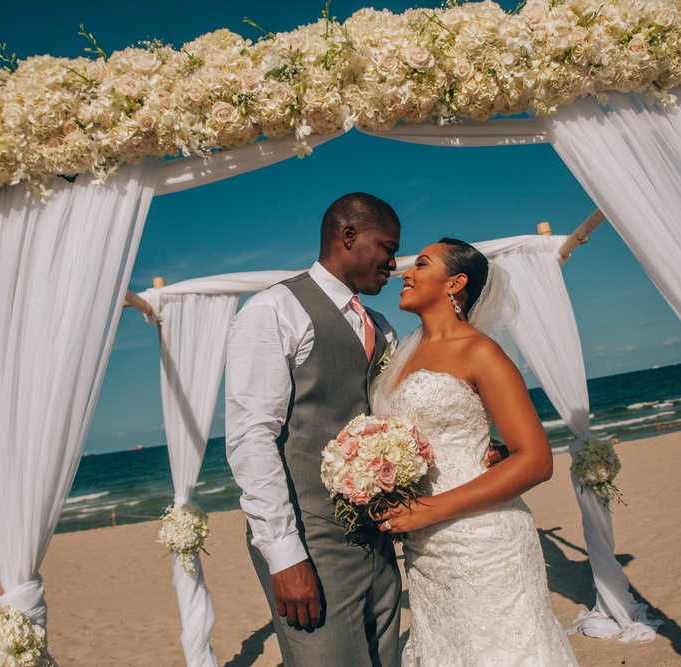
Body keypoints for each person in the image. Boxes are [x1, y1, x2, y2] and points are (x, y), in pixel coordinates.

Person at [371, 238, 579, 666]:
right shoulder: (400, 355)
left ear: (455, 282)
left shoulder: (479, 350)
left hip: (484, 538)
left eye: (421, 265)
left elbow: (537, 461)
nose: (405, 274)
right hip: (425, 546)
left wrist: (431, 508)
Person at [225, 193, 403, 667]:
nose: (394, 261)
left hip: (377, 539)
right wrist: (284, 556)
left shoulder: (383, 328)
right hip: (310, 537)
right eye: (387, 247)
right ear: (349, 237)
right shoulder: (275, 310)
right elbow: (250, 436)